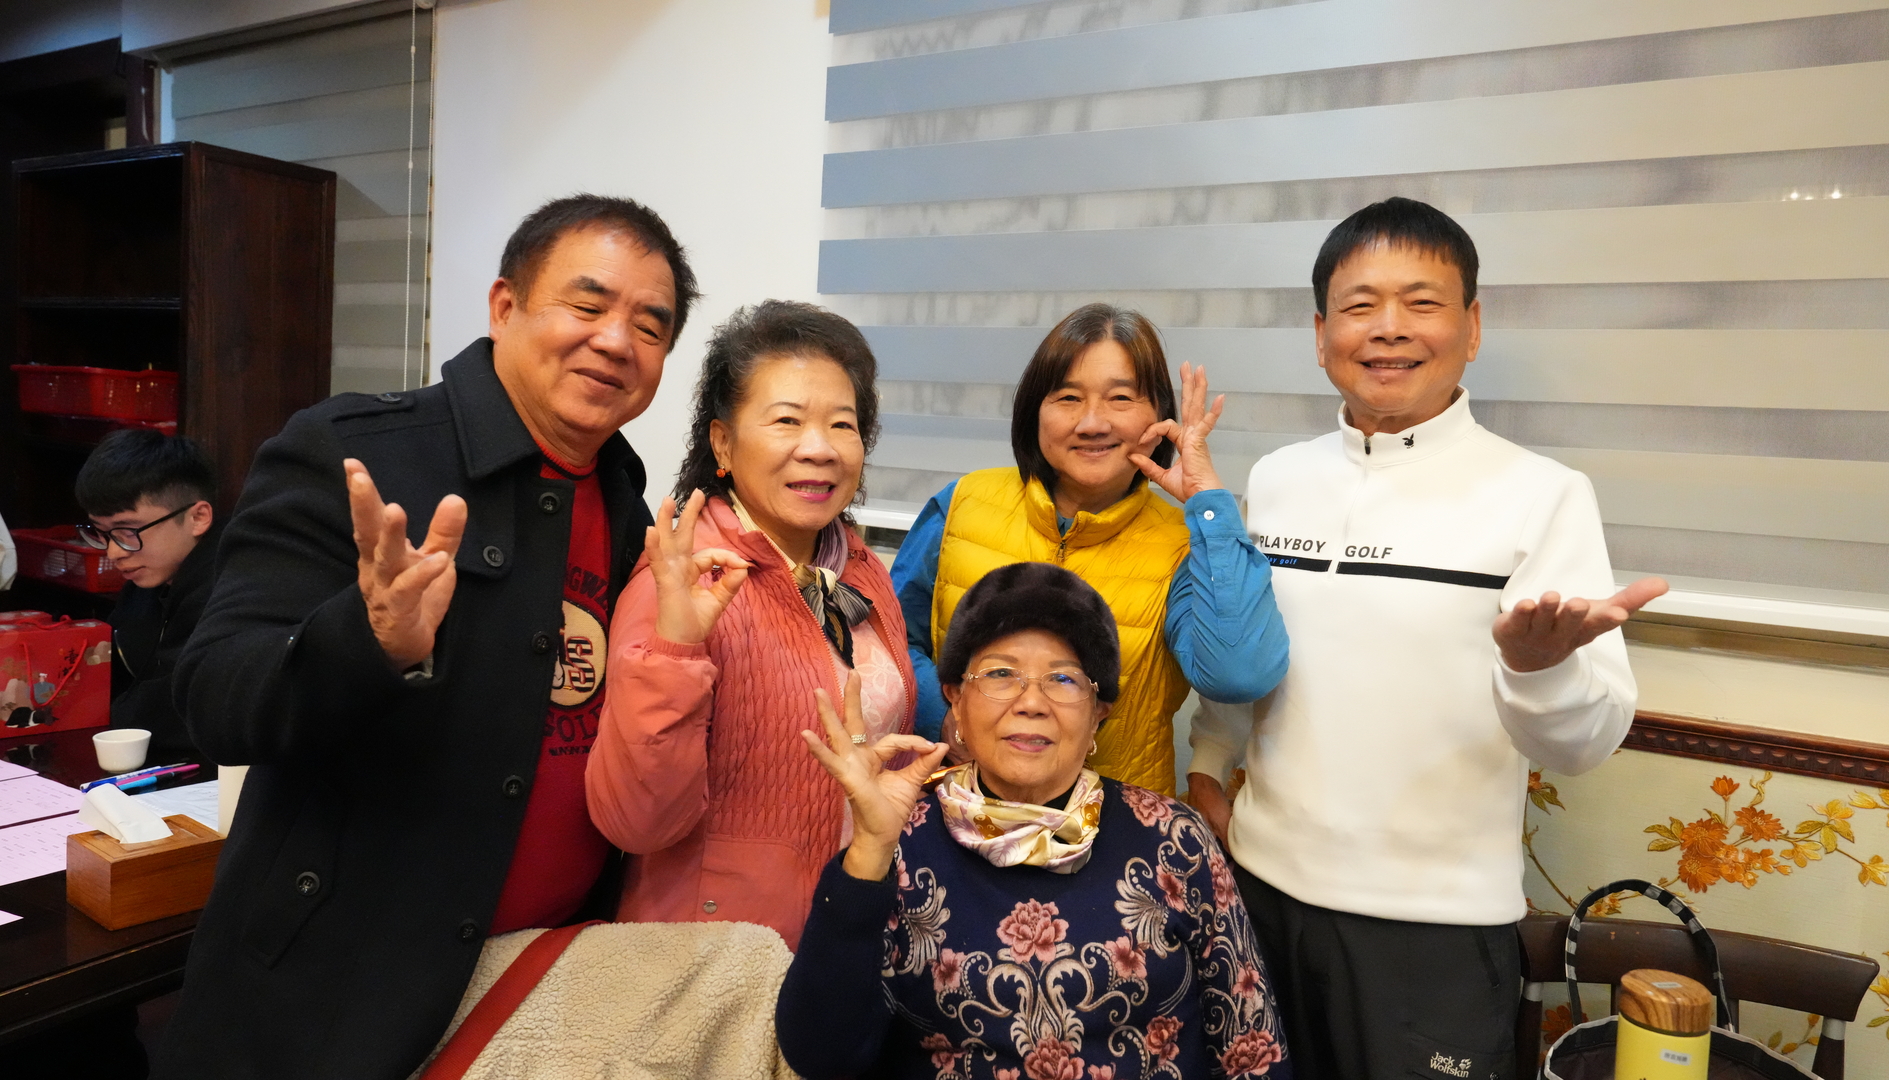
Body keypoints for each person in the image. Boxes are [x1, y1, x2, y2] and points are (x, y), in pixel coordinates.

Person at [159, 194, 699, 1080]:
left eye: (650, 325)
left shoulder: (630, 508)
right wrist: (369, 639)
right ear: (504, 306)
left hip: (540, 989)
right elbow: (214, 696)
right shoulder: (356, 452)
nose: (616, 342)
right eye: (588, 304)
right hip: (335, 999)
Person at [1187, 197, 1668, 1080]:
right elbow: (1250, 653)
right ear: (1321, 333)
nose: (1389, 328)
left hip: (1433, 933)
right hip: (1258, 897)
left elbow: (1584, 744)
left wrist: (1537, 669)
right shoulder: (1281, 477)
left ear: (1472, 327)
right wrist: (1208, 768)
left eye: (1422, 302)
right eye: (1359, 305)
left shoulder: (1541, 494)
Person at [777, 561, 1290, 1080]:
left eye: (1063, 679)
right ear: (956, 698)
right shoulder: (897, 841)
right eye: (1001, 674)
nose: (1031, 703)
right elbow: (822, 1057)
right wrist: (869, 849)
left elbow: (1252, 1047)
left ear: (1099, 712)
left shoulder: (1174, 840)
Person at [585, 300, 912, 949]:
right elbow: (636, 822)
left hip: (846, 935)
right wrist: (676, 649)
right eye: (787, 420)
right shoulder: (683, 579)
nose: (819, 448)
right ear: (723, 443)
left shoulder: (861, 570)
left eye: (842, 425)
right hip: (716, 958)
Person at [891, 303, 1288, 796]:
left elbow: (1238, 675)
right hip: (961, 807)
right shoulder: (961, 504)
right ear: (1034, 411)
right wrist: (947, 714)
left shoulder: (1187, 546)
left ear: (1159, 416)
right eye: (1068, 397)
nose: (1092, 422)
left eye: (1120, 398)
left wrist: (1208, 501)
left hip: (1117, 824)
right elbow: (891, 641)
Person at [71, 429, 219, 758]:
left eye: (127, 531)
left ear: (198, 517)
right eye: (101, 533)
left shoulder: (235, 588)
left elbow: (194, 712)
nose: (113, 552)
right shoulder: (144, 587)